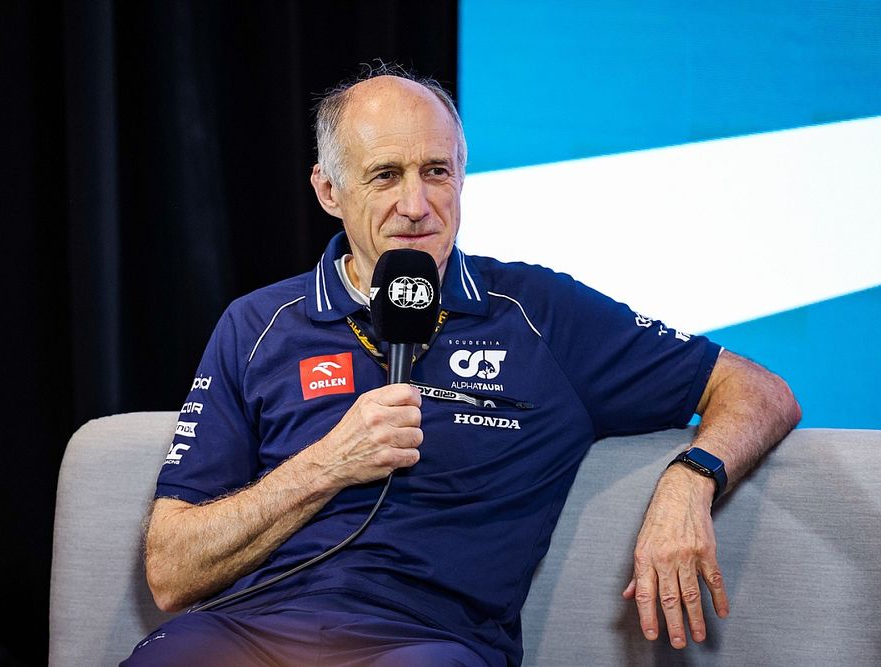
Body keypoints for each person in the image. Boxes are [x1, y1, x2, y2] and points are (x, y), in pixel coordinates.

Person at [123, 66, 801, 666]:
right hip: (247, 634)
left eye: (436, 172)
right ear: (328, 190)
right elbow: (171, 571)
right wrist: (330, 461)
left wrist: (691, 479)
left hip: (425, 642)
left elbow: (757, 389)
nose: (416, 206)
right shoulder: (257, 324)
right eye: (385, 175)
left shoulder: (540, 314)